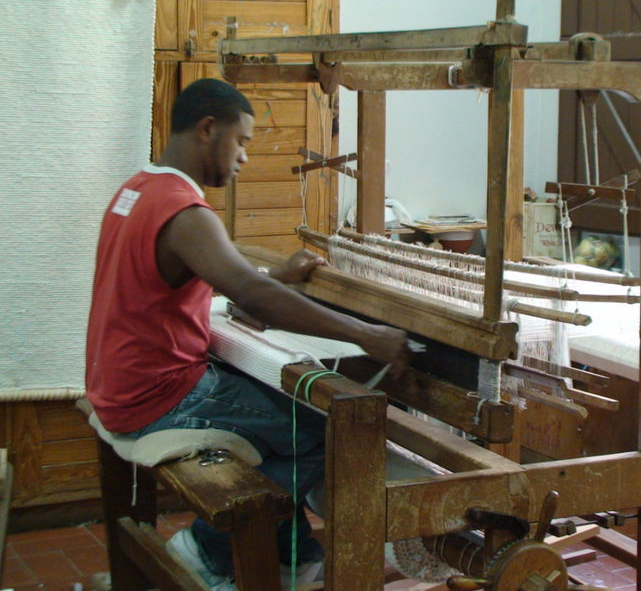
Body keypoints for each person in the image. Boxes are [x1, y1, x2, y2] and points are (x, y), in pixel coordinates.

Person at [85, 78, 410, 589]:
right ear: (208, 129)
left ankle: (289, 561)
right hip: (158, 397)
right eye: (242, 142)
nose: (244, 159)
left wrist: (279, 275)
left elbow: (212, 276)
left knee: (285, 422)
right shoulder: (186, 212)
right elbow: (249, 296)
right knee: (324, 429)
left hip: (119, 384)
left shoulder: (137, 190)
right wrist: (367, 334)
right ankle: (211, 552)